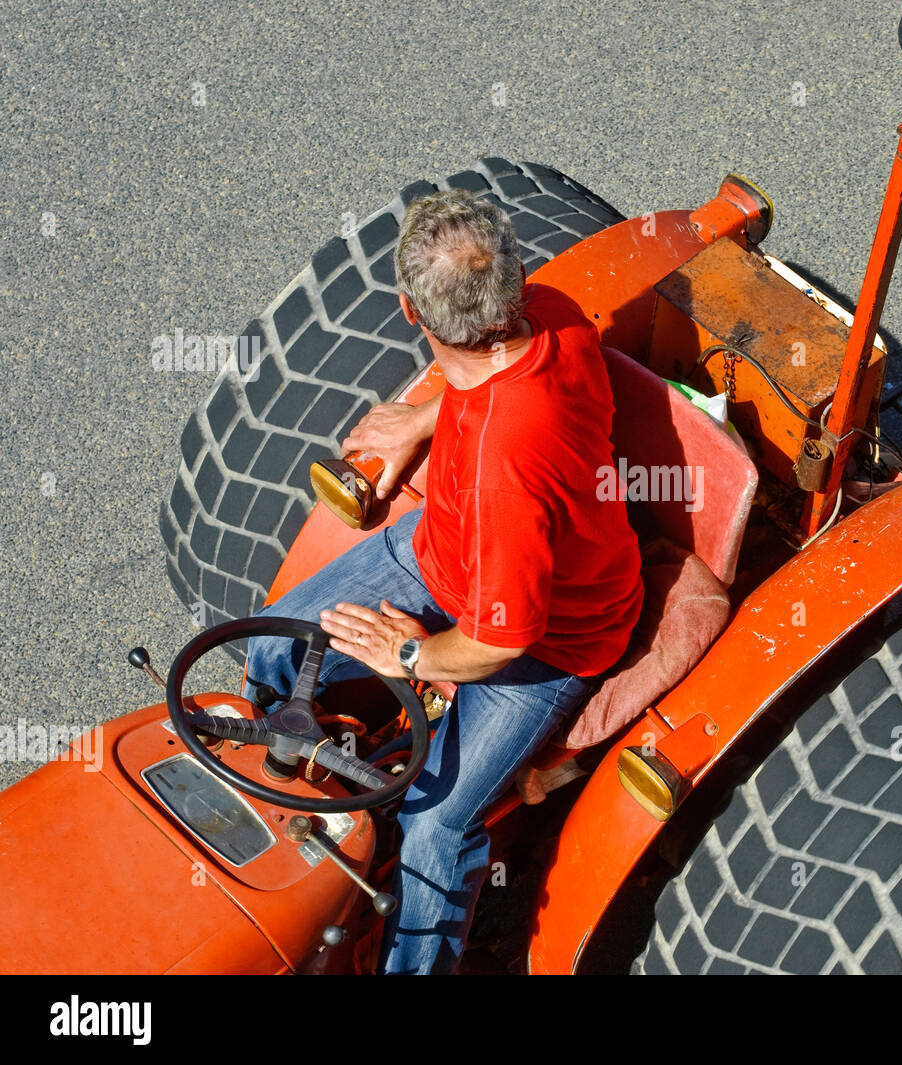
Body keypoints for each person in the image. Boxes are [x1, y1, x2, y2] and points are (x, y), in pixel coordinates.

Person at [241, 188, 644, 973]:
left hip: (547, 642)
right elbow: (482, 384)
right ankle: (295, 814)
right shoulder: (549, 311)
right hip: (440, 549)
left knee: (435, 828)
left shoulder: (504, 466)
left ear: (408, 314)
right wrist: (420, 418)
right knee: (272, 649)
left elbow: (503, 636)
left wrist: (411, 658)